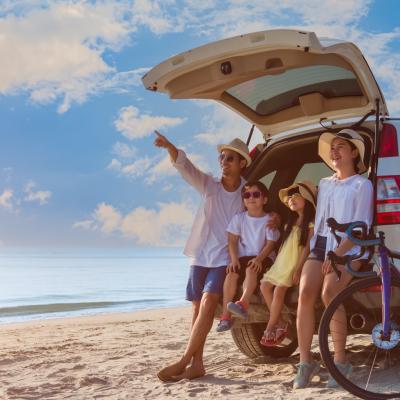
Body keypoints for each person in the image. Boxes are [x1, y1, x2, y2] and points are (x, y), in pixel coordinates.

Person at [154, 131, 251, 382]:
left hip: (225, 258)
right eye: (222, 157)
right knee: (197, 307)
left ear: (242, 163)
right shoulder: (209, 185)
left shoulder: (247, 194)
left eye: (230, 158)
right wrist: (170, 147)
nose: (224, 161)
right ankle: (197, 364)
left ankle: (184, 359)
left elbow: (260, 214)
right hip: (199, 255)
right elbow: (186, 168)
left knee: (209, 302)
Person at [293, 129, 373, 389]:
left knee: (330, 293)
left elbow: (361, 227)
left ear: (353, 153)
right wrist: (305, 257)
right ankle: (306, 362)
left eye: (341, 147)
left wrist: (337, 254)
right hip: (322, 244)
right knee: (305, 293)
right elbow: (317, 225)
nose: (334, 151)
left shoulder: (363, 184)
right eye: (332, 147)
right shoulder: (325, 184)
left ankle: (340, 362)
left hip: (350, 246)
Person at [215, 181, 280, 332]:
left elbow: (270, 244)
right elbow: (232, 240)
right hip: (244, 257)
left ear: (264, 199)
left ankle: (243, 303)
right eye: (247, 195)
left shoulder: (269, 220)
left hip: (263, 257)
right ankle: (225, 317)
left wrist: (258, 259)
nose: (251, 198)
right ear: (243, 199)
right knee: (231, 274)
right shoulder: (239, 218)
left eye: (256, 194)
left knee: (251, 269)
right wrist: (234, 259)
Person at [259, 181, 316, 346]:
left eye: (296, 195)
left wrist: (298, 269)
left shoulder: (311, 223)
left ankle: (271, 325)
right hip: (282, 263)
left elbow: (306, 248)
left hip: (294, 263)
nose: (291, 199)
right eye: (289, 197)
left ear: (308, 199)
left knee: (278, 291)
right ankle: (281, 321)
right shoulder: (289, 223)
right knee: (264, 286)